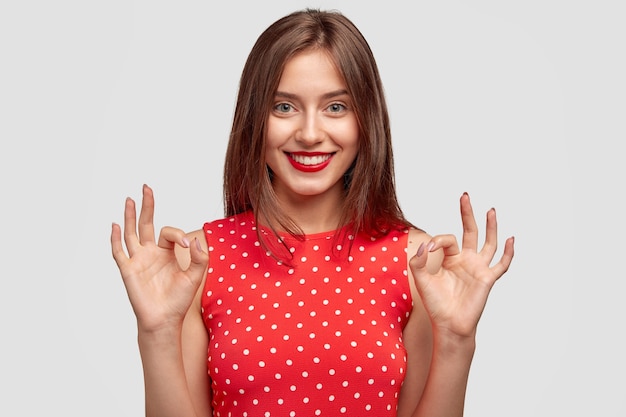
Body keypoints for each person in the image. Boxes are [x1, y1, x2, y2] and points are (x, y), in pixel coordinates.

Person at [111, 8, 514, 417]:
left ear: (366, 120)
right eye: (284, 107)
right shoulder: (197, 259)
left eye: (335, 107)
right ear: (255, 119)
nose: (308, 133)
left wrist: (457, 339)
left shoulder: (418, 264)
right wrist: (157, 332)